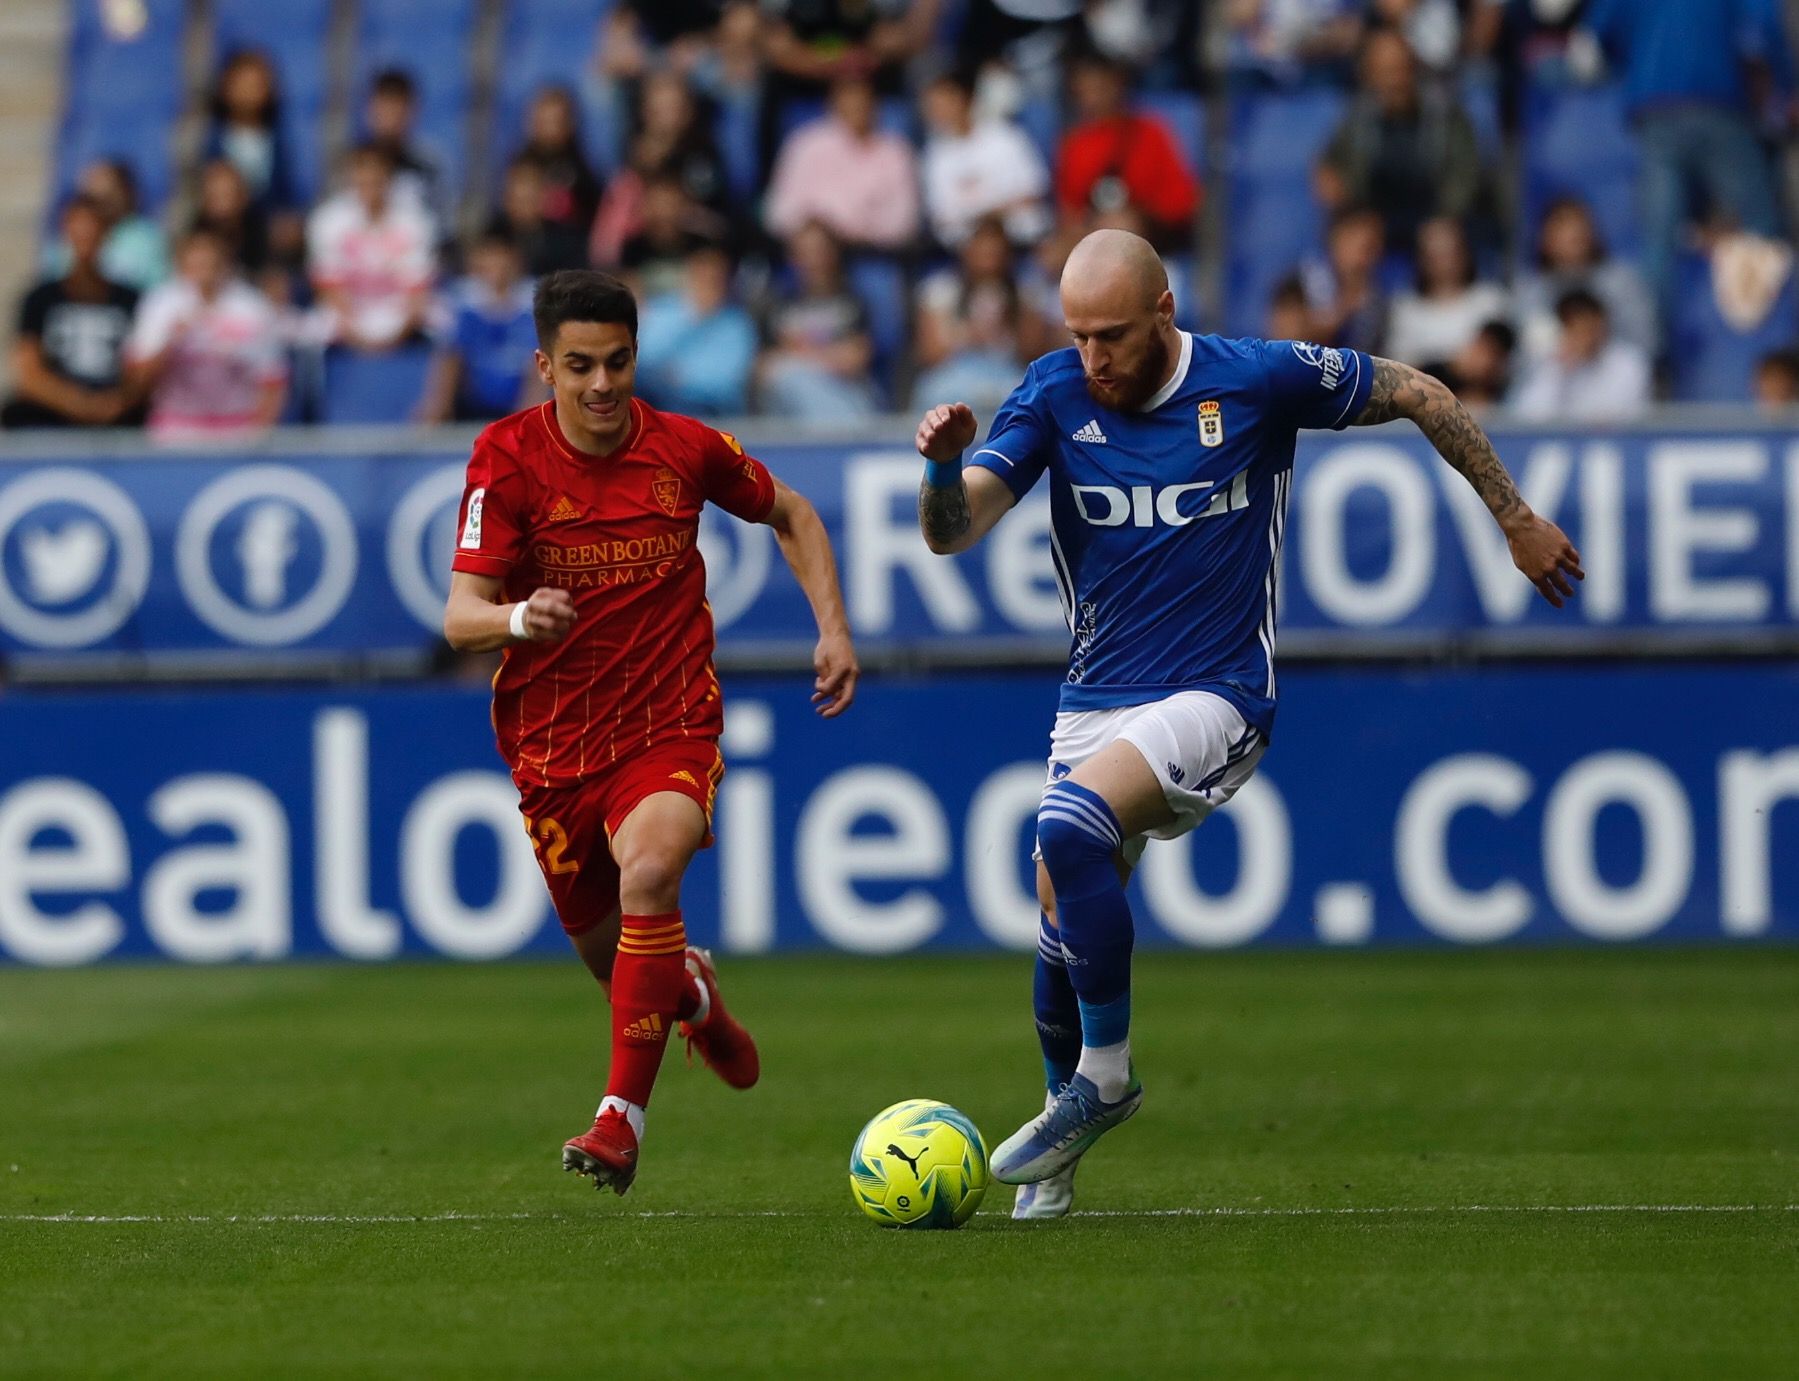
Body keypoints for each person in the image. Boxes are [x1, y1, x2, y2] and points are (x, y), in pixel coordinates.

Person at [912, 227, 1582, 1219]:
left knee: (1064, 829)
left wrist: (1513, 516)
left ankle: (1102, 1080)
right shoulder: (1052, 392)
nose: (1092, 356)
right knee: (1057, 908)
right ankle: (1056, 1147)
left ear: (1162, 314)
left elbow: (1420, 393)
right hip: (1095, 698)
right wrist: (939, 473)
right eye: (1078, 335)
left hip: (1216, 691)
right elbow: (952, 532)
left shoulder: (1258, 379)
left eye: (1110, 336)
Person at [442, 270, 859, 1194]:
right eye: (580, 365)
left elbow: (791, 509)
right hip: (553, 751)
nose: (601, 385)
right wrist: (518, 620)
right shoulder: (504, 459)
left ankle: (618, 1122)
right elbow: (459, 615)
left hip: (668, 722)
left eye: (618, 362)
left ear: (637, 356)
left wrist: (831, 627)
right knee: (616, 955)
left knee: (653, 869)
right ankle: (692, 994)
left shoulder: (683, 448)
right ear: (545, 366)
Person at [1579, 0, 1791, 336]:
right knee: (1762, 227)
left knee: (1659, 242)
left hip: (1657, 109)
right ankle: (1778, 342)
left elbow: (1591, 47)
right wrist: (1788, 86)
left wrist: (1640, 59)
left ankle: (1655, 352)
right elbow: (1763, 29)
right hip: (1717, 104)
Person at [1315, 26, 1483, 252]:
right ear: (1369, 76)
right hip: (1375, 223)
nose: (1394, 82)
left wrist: (1442, 216)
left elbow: (1465, 175)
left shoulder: (1445, 114)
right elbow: (1334, 164)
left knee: (1443, 243)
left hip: (1435, 219)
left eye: (1399, 70)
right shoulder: (1357, 118)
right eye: (1383, 72)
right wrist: (1335, 185)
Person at [124, 227, 288, 440]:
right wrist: (170, 343)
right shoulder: (161, 305)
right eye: (197, 266)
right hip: (177, 428)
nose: (205, 274)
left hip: (237, 427)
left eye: (212, 265)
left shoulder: (252, 308)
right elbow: (137, 378)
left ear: (226, 265)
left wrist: (259, 436)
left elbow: (273, 380)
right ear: (181, 266)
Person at [4, 196, 141, 429]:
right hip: (54, 409)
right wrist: (78, 404)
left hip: (114, 407)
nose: (85, 237)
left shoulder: (130, 299)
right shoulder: (40, 298)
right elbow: (28, 371)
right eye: (79, 228)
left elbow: (142, 367)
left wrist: (116, 401)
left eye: (93, 228)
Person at [1055, 49, 1199, 250]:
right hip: (1094, 235)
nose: (1094, 98)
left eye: (1100, 88)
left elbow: (1181, 200)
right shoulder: (1074, 143)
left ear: (1117, 84)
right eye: (1086, 91)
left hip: (1150, 234)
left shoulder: (1150, 131)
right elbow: (1070, 211)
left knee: (1123, 227)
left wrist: (1140, 216)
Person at [763, 75, 920, 252]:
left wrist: (851, 232)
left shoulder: (896, 152)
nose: (857, 109)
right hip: (811, 246)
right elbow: (779, 210)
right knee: (814, 244)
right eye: (849, 102)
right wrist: (814, 229)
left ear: (876, 105)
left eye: (863, 103)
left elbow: (903, 221)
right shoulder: (805, 145)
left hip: (872, 251)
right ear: (833, 105)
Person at [307, 143, 437, 350]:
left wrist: (395, 336)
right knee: (312, 328)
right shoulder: (328, 220)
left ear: (390, 179)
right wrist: (359, 337)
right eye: (362, 181)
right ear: (352, 179)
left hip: (398, 310)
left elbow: (417, 291)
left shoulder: (416, 220)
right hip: (350, 312)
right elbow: (329, 289)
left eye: (376, 181)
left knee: (444, 322)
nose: (369, 188)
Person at [757, 220, 880, 420]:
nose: (813, 260)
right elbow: (764, 369)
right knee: (787, 378)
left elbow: (855, 360)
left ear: (833, 253)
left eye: (819, 250)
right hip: (793, 403)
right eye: (804, 252)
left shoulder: (851, 302)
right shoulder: (779, 307)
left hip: (844, 393)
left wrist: (799, 351)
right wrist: (825, 356)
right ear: (792, 258)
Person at [919, 69, 1051, 250]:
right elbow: (941, 215)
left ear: (962, 98)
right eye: (931, 105)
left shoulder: (1004, 135)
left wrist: (987, 215)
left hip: (1020, 239)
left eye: (940, 103)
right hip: (965, 248)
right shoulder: (935, 153)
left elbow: (1033, 190)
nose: (935, 111)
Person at [418, 233, 543, 423]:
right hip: (471, 400)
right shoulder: (462, 303)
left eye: (503, 258)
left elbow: (538, 364)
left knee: (543, 361)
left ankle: (529, 422)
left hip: (517, 399)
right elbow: (450, 356)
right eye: (490, 257)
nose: (497, 267)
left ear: (516, 261)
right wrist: (436, 406)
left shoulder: (535, 303)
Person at [1516, 197, 1655, 362]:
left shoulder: (1621, 283)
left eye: (1579, 225)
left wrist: (1596, 346)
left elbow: (1645, 347)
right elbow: (1518, 360)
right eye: (1563, 225)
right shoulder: (1530, 292)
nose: (1574, 233)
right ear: (1544, 239)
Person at [634, 243, 757, 415]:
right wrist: (693, 317)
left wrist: (680, 377)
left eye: (714, 277)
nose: (707, 281)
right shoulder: (661, 309)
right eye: (701, 274)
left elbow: (728, 381)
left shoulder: (737, 324)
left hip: (707, 405)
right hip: (656, 395)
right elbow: (643, 355)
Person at [1383, 216, 1509, 373]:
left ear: (1465, 252)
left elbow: (1493, 361)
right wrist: (1453, 367)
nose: (1445, 262)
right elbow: (1399, 370)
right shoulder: (1405, 309)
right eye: (1435, 254)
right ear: (1421, 258)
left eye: (1450, 252)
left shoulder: (1490, 300)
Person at [1510, 288, 1652, 422]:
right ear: (1566, 328)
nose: (1586, 334)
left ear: (1602, 322)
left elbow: (1625, 416)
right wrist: (1560, 372)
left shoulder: (1630, 362)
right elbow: (1528, 416)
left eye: (1591, 325)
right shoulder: (1552, 362)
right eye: (1577, 326)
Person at [40, 160, 170, 293]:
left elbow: (157, 289)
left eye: (109, 193)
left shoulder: (145, 237)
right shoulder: (65, 241)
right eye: (92, 195)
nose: (104, 202)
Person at [362, 68, 449, 228]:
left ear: (412, 111)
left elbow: (442, 221)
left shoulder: (429, 164)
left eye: (397, 109)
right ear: (370, 109)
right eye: (384, 108)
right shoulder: (354, 162)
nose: (390, 118)